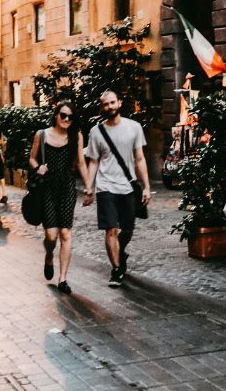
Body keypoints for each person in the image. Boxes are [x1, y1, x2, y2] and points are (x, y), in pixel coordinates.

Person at [83, 90, 151, 289]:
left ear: (119, 103)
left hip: (128, 186)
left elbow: (140, 159)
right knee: (110, 229)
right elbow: (93, 162)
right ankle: (116, 269)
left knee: (128, 229)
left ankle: (120, 252)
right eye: (106, 104)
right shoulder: (96, 132)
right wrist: (89, 187)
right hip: (106, 187)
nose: (110, 107)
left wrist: (146, 187)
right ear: (102, 107)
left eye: (113, 103)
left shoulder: (134, 128)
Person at [28, 101, 91, 293]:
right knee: (51, 235)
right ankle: (49, 255)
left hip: (66, 188)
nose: (66, 119)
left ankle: (63, 279)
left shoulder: (76, 136)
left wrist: (89, 187)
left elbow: (80, 162)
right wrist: (38, 167)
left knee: (65, 233)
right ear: (56, 115)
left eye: (70, 117)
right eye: (63, 115)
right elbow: (32, 158)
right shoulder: (42, 134)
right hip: (47, 188)